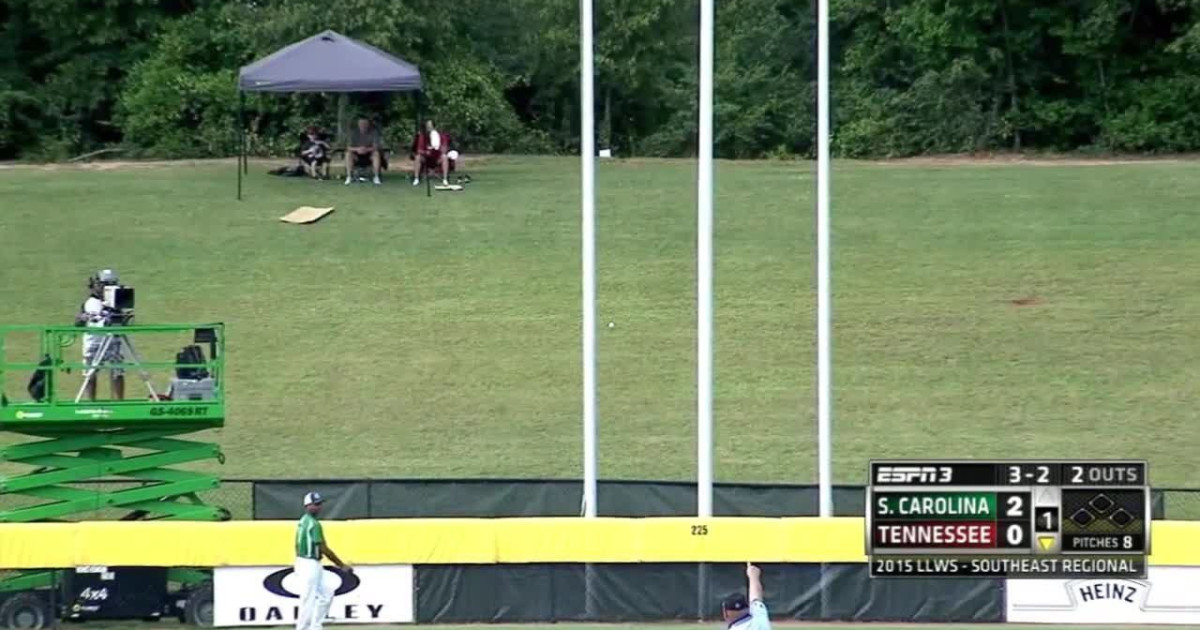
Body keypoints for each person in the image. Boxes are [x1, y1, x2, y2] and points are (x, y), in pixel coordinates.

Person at [295, 492, 352, 630]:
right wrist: (341, 565)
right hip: (309, 563)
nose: (319, 507)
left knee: (326, 593)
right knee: (308, 599)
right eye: (316, 504)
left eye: (320, 504)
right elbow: (323, 548)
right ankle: (302, 628)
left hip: (307, 562)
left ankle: (315, 626)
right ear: (307, 506)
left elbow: (296, 544)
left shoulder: (303, 521)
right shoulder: (314, 524)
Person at [74, 269, 125, 401]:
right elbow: (79, 322)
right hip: (94, 342)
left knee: (117, 372)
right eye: (103, 285)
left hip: (114, 341)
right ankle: (91, 403)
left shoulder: (117, 303)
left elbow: (123, 320)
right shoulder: (90, 303)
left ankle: (119, 402)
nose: (106, 288)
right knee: (90, 374)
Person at [721, 564, 770, 630]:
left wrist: (753, 577)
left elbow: (756, 595)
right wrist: (753, 577)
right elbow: (756, 595)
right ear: (747, 608)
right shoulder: (759, 616)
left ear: (726, 614)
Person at [344, 117, 383, 186]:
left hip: (369, 154)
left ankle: (376, 177)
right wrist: (358, 149)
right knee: (348, 154)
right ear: (358, 124)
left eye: (365, 123)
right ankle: (349, 176)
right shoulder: (353, 133)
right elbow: (348, 147)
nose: (363, 125)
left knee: (376, 154)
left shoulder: (374, 132)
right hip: (356, 154)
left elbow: (376, 146)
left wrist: (366, 149)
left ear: (368, 124)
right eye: (361, 124)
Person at [412, 119, 450, 187]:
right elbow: (419, 150)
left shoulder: (440, 135)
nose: (428, 127)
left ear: (434, 126)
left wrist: (440, 148)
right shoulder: (423, 136)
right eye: (427, 126)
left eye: (430, 125)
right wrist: (426, 152)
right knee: (417, 157)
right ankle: (416, 179)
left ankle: (445, 179)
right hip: (426, 158)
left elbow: (445, 148)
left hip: (437, 158)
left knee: (444, 157)